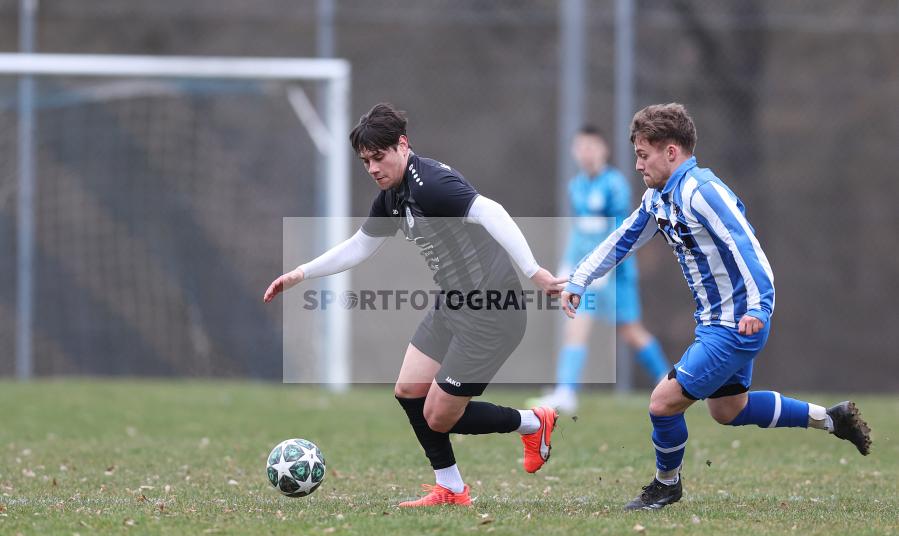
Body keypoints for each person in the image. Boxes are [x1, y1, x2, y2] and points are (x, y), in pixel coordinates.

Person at [561, 103, 871, 510]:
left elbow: (747, 246)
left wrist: (759, 307)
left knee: (662, 403)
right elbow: (624, 238)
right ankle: (832, 418)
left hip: (736, 324)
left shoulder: (702, 191)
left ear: (671, 152)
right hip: (715, 323)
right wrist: (580, 278)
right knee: (728, 410)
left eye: (643, 154)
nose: (637, 165)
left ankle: (666, 485)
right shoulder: (658, 197)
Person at [264, 103, 566, 507]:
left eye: (379, 157)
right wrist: (301, 273)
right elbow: (359, 247)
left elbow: (490, 211)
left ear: (402, 145)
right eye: (365, 161)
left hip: (492, 311)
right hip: (452, 303)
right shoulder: (392, 196)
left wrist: (534, 271)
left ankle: (532, 422)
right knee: (408, 390)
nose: (373, 168)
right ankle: (451, 488)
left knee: (438, 416)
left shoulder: (432, 184)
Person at [532, 125, 669, 415]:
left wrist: (603, 269)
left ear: (603, 150)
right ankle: (566, 392)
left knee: (631, 332)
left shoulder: (615, 184)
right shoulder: (576, 186)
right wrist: (569, 265)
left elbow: (621, 231)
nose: (586, 153)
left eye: (591, 147)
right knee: (576, 325)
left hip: (618, 274)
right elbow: (581, 231)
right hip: (589, 275)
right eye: (581, 147)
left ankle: (668, 381)